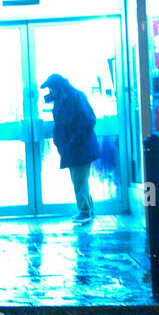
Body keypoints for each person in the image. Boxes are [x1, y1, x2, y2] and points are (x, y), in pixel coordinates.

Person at [42, 74, 100, 223]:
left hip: (80, 147)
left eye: (52, 89)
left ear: (59, 87)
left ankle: (85, 211)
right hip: (75, 147)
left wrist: (73, 141)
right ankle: (88, 210)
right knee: (79, 180)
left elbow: (88, 120)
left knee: (79, 180)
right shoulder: (65, 99)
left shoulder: (75, 98)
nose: (50, 92)